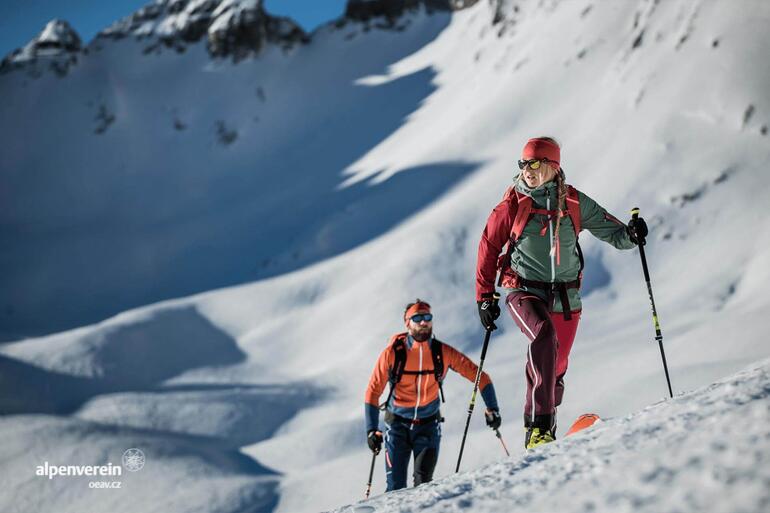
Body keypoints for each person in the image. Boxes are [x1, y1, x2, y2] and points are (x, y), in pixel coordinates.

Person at [475, 137, 648, 449]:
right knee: (542, 337)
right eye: (523, 163)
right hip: (523, 290)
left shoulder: (573, 203)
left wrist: (632, 235)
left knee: (554, 366)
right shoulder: (513, 204)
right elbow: (488, 247)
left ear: (553, 167)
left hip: (566, 298)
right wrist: (485, 296)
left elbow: (612, 230)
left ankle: (541, 429)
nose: (527, 169)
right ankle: (539, 429)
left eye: (535, 163)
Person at [365, 299, 501, 491]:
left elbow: (481, 377)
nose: (423, 322)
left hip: (428, 426)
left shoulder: (442, 352)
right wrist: (371, 430)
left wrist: (492, 408)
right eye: (417, 318)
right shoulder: (392, 354)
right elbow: (373, 391)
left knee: (423, 486)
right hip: (397, 427)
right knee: (395, 488)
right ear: (407, 322)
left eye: (427, 317)